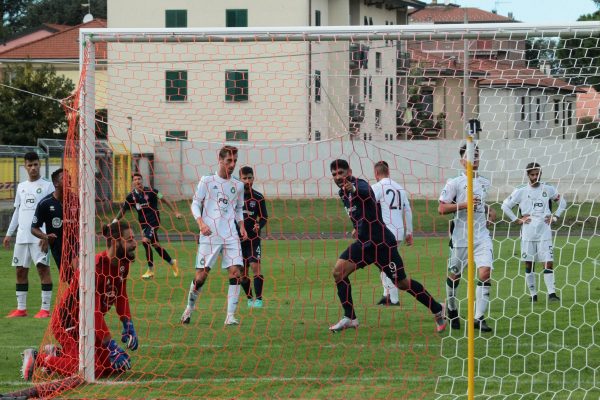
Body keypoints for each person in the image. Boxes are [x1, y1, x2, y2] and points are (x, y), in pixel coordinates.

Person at [328, 159, 446, 333]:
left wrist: (354, 189)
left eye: (341, 173)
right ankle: (350, 317)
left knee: (402, 283)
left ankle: (437, 309)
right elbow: (361, 212)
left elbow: (366, 193)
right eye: (334, 174)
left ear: (349, 172)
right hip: (364, 244)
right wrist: (357, 228)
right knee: (338, 272)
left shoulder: (359, 185)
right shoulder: (342, 194)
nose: (338, 177)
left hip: (382, 244)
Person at [20, 221, 139, 380]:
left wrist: (128, 323)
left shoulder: (123, 264)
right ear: (116, 242)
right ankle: (37, 358)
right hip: (67, 322)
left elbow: (121, 295)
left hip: (88, 324)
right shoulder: (94, 268)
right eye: (130, 239)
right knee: (89, 369)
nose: (135, 244)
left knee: (111, 367)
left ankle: (58, 353)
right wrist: (111, 345)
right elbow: (93, 311)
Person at [180, 146, 248, 326]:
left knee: (236, 272)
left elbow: (239, 208)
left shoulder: (238, 185)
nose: (232, 165)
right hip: (210, 235)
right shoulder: (207, 181)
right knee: (201, 276)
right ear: (220, 159)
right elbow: (195, 204)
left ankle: (230, 316)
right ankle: (189, 308)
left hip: (231, 235)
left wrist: (241, 226)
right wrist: (201, 223)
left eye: (235, 161)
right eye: (229, 161)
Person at [438, 144, 496, 332]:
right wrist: (464, 204)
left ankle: (478, 318)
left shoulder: (485, 182)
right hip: (461, 238)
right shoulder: (454, 182)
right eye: (470, 156)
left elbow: (480, 204)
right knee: (454, 276)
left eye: (477, 155)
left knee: (485, 273)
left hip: (481, 236)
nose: (475, 159)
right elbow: (442, 209)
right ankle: (453, 309)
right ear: (462, 161)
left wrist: (489, 210)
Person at [501, 162, 566, 302]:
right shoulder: (520, 190)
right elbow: (505, 206)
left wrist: (555, 217)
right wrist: (517, 219)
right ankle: (533, 294)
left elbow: (563, 202)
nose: (535, 177)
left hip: (544, 230)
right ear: (528, 175)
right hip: (528, 231)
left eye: (537, 174)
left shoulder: (548, 188)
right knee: (529, 263)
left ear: (540, 173)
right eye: (532, 174)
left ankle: (551, 294)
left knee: (548, 261)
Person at [4, 152, 55, 319]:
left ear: (39, 165)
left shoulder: (47, 186)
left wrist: (46, 237)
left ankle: (45, 309)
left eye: (35, 164)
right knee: (20, 271)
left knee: (42, 269)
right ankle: (21, 309)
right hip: (22, 237)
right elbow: (17, 211)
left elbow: (50, 213)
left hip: (39, 237)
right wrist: (9, 233)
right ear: (25, 166)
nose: (33, 168)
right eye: (29, 165)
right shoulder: (21, 187)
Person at [113, 172, 182, 279]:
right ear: (133, 183)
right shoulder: (131, 196)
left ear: (142, 180)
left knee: (145, 241)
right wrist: (114, 221)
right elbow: (123, 210)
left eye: (139, 179)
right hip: (144, 224)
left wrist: (175, 212)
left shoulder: (151, 191)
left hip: (154, 221)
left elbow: (164, 199)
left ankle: (150, 270)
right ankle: (172, 262)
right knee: (155, 245)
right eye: (135, 180)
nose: (138, 181)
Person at [371, 161, 413, 306]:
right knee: (384, 263)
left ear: (376, 173)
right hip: (399, 231)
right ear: (388, 172)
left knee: (386, 264)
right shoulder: (399, 188)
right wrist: (409, 232)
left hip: (386, 232)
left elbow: (368, 206)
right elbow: (408, 210)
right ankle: (387, 295)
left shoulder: (377, 187)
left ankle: (393, 299)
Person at [238, 166, 268, 308]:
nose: (247, 180)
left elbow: (264, 217)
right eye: (244, 178)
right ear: (240, 179)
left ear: (253, 178)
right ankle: (250, 298)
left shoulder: (258, 197)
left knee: (255, 266)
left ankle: (259, 299)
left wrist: (258, 224)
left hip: (253, 240)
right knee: (243, 274)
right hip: (238, 241)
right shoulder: (235, 196)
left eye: (250, 177)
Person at [31, 168, 66, 279]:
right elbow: (34, 228)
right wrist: (45, 237)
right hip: (58, 247)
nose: (69, 181)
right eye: (64, 178)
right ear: (56, 183)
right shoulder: (45, 203)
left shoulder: (76, 200)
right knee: (70, 279)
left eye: (70, 179)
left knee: (79, 276)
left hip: (76, 246)